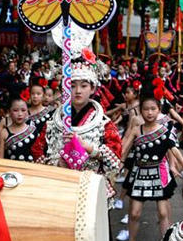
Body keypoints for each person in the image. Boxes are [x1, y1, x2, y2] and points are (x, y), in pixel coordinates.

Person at [32, 50, 122, 207]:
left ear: (93, 88)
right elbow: (37, 152)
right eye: (72, 86)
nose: (78, 91)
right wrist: (56, 163)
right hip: (60, 185)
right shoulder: (53, 122)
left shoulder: (103, 123)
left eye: (84, 85)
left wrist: (88, 148)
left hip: (90, 187)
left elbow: (115, 158)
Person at [117, 91, 183, 241]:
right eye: (146, 109)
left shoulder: (165, 130)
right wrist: (119, 163)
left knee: (163, 213)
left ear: (159, 110)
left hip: (159, 174)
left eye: (153, 109)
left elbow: (174, 150)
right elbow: (125, 149)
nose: (149, 112)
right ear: (141, 111)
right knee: (134, 213)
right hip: (139, 174)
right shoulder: (136, 129)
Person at [0, 97, 36, 161]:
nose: (20, 114)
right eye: (15, 110)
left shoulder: (33, 130)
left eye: (23, 110)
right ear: (9, 112)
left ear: (27, 112)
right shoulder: (4, 132)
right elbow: (0, 156)